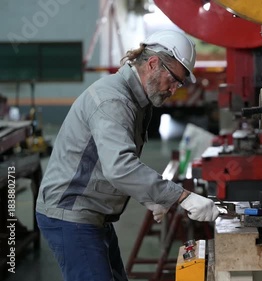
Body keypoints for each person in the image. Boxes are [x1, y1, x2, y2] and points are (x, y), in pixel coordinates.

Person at [35, 30, 219, 281]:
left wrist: (150, 196)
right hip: (72, 213)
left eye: (180, 83)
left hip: (93, 213)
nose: (175, 90)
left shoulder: (139, 100)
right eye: (174, 79)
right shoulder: (114, 100)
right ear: (153, 63)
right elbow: (120, 166)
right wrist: (181, 197)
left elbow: (112, 161)